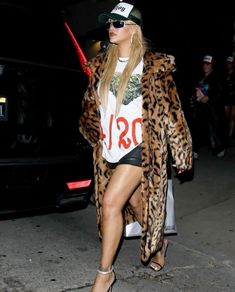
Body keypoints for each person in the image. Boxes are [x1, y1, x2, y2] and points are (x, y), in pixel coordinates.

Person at [79, 1, 193, 291]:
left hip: (140, 145)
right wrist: (93, 130)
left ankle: (105, 274)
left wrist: (181, 150)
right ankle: (158, 244)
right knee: (137, 204)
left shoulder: (153, 67)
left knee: (110, 204)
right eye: (110, 23)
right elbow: (92, 107)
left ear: (134, 30)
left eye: (118, 24)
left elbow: (171, 111)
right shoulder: (102, 64)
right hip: (111, 147)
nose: (111, 29)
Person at [190, 55, 228, 159]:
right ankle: (195, 149)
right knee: (197, 128)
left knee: (214, 130)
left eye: (208, 64)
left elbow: (220, 93)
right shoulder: (200, 77)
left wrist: (209, 97)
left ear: (212, 65)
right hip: (200, 108)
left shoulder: (217, 78)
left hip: (212, 109)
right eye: (204, 63)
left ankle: (220, 148)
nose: (205, 66)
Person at [221, 56, 235, 145]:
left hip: (234, 97)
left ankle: (229, 136)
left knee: (232, 117)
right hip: (226, 97)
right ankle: (224, 135)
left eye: (230, 63)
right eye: (227, 62)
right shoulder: (223, 74)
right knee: (225, 117)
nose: (228, 64)